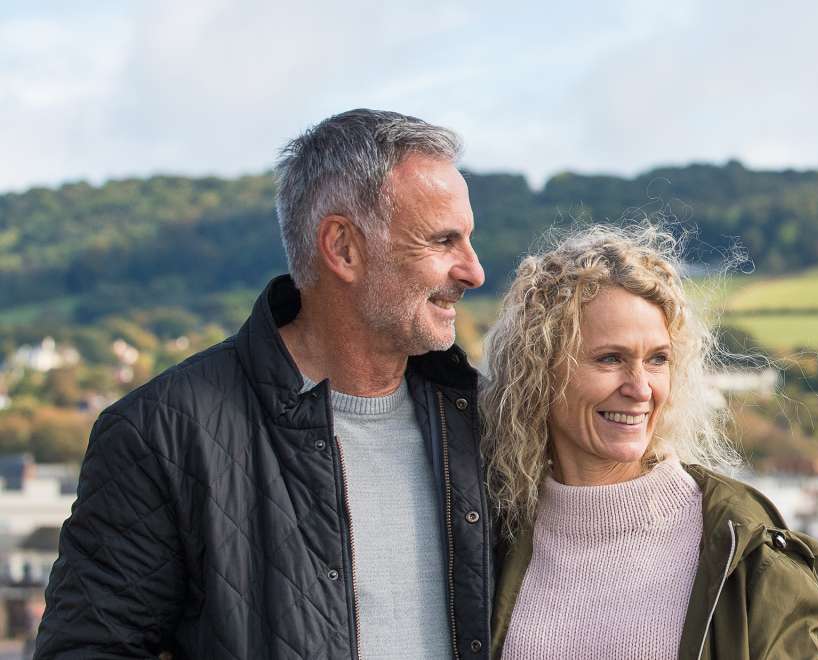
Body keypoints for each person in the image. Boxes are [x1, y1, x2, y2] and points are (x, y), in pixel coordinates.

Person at [36, 109, 495, 658]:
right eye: (444, 241)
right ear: (343, 248)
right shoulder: (161, 435)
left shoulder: (483, 419)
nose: (474, 271)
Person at [481, 225, 818, 659]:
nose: (640, 388)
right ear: (538, 371)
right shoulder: (490, 537)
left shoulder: (743, 548)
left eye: (657, 360)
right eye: (610, 359)